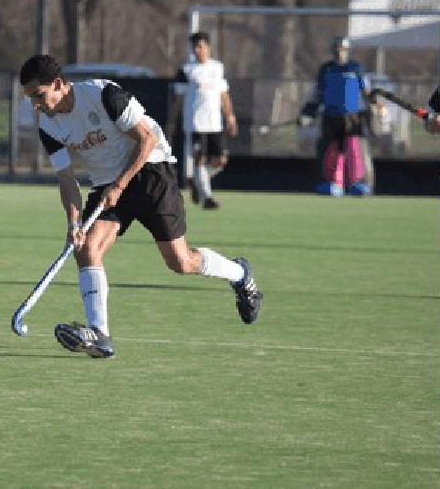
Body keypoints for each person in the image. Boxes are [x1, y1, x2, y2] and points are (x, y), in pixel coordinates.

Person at [19, 54, 263, 359]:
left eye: (39, 96)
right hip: (108, 185)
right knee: (87, 248)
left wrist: (120, 184)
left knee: (180, 262)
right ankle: (100, 335)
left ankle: (240, 274)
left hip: (150, 171)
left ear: (57, 84)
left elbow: (146, 139)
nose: (36, 106)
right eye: (30, 99)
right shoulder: (49, 126)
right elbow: (67, 180)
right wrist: (73, 223)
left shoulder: (104, 94)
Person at [174, 32, 238, 210]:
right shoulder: (186, 69)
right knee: (199, 159)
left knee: (220, 161)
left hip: (214, 123)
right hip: (195, 123)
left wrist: (230, 116)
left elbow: (223, 93)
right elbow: (177, 98)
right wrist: (173, 122)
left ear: (208, 47)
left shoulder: (217, 67)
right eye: (195, 47)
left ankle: (198, 181)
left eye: (201, 46)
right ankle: (207, 197)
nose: (198, 50)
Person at [308, 37, 378, 197]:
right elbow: (318, 93)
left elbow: (366, 91)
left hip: (352, 117)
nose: (340, 52)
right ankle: (333, 182)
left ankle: (358, 183)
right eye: (337, 49)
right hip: (331, 116)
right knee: (332, 150)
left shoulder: (355, 68)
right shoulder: (326, 69)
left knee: (354, 148)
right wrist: (309, 112)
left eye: (343, 49)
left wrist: (375, 105)